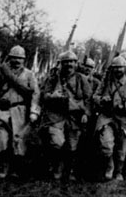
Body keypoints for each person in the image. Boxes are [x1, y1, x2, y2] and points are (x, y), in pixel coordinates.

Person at [0, 46, 41, 179]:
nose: (17, 61)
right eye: (14, 58)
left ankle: (16, 169)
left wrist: (34, 111)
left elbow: (35, 94)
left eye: (20, 58)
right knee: (3, 140)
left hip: (20, 111)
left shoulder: (29, 74)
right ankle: (4, 168)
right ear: (9, 58)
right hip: (2, 109)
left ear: (24, 60)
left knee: (18, 141)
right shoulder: (1, 74)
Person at [39, 51, 93, 181]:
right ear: (61, 64)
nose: (69, 64)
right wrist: (52, 96)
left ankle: (70, 170)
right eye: (65, 62)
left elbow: (88, 99)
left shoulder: (81, 79)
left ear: (76, 63)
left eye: (71, 62)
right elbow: (43, 95)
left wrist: (86, 113)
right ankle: (57, 166)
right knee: (57, 142)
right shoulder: (52, 78)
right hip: (55, 116)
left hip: (75, 117)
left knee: (72, 146)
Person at [92, 55, 126, 181]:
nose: (118, 70)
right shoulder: (106, 83)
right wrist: (102, 100)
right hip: (108, 118)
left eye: (120, 67)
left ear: (124, 68)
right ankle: (110, 166)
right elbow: (95, 97)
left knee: (122, 150)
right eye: (115, 68)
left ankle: (119, 172)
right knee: (106, 146)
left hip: (125, 120)